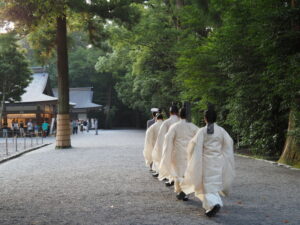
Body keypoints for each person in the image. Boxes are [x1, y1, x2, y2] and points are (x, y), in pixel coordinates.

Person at [180, 107, 235, 217]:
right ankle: (213, 205)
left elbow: (193, 145)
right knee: (213, 184)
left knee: (206, 185)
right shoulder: (221, 131)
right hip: (218, 161)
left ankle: (214, 204)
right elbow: (229, 142)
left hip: (206, 162)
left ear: (205, 118)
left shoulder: (202, 131)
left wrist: (191, 156)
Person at [158, 108, 199, 200]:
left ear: (179, 115)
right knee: (187, 173)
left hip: (177, 153)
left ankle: (181, 191)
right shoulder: (193, 127)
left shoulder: (175, 126)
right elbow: (199, 138)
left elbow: (168, 139)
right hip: (189, 153)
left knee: (178, 173)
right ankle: (184, 191)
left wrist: (167, 152)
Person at [152, 103, 179, 186]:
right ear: (178, 112)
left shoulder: (166, 122)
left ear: (170, 112)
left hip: (170, 146)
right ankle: (175, 179)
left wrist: (159, 148)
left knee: (170, 162)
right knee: (179, 164)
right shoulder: (181, 122)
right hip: (180, 146)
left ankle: (172, 179)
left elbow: (161, 137)